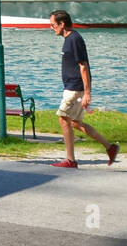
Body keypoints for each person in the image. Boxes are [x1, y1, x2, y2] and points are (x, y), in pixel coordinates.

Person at [50, 10, 119, 168]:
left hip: (76, 88)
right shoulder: (69, 39)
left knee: (63, 119)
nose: (51, 28)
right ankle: (110, 147)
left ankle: (70, 160)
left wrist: (87, 93)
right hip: (71, 87)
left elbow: (83, 66)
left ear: (62, 24)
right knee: (75, 122)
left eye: (53, 25)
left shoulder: (74, 39)